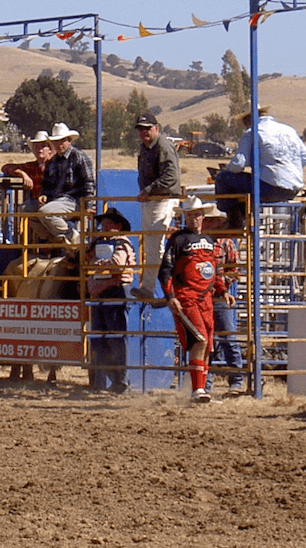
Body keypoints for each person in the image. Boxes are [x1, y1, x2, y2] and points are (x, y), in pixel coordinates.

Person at [157, 197, 234, 403]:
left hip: (206, 299)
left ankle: (200, 390)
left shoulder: (209, 241)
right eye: (190, 215)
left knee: (207, 344)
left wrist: (223, 290)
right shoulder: (178, 240)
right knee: (199, 339)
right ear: (185, 217)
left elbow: (214, 270)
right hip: (186, 298)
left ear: (203, 216)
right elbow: (165, 270)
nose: (194, 219)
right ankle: (198, 389)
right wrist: (171, 296)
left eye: (197, 214)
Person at [214, 105, 306, 227]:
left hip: (269, 188)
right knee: (247, 186)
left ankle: (234, 221)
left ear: (247, 122)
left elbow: (238, 165)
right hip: (293, 189)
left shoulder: (253, 132)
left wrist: (227, 170)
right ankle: (243, 215)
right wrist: (288, 170)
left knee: (224, 179)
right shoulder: (289, 130)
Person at [130, 114, 182, 302]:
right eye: (141, 128)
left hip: (163, 199)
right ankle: (163, 290)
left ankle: (152, 288)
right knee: (153, 245)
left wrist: (148, 190)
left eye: (147, 128)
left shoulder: (162, 146)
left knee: (154, 246)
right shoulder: (148, 147)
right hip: (154, 199)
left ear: (156, 128)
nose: (144, 131)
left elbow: (171, 177)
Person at [85, 209, 136, 393]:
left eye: (108, 224)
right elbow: (86, 259)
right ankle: (112, 380)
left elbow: (118, 264)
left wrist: (100, 265)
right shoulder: (99, 242)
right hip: (104, 291)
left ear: (118, 226)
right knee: (100, 338)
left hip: (116, 290)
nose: (104, 227)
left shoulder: (122, 242)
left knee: (115, 337)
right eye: (103, 224)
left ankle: (120, 380)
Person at [27, 123, 94, 247]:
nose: (59, 144)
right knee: (26, 212)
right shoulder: (53, 161)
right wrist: (44, 194)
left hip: (74, 200)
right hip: (57, 201)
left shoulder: (79, 157)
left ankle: (73, 237)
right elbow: (47, 183)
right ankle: (54, 239)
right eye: (56, 141)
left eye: (62, 141)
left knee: (45, 212)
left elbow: (88, 182)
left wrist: (89, 204)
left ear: (69, 141)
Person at [202, 207, 245, 393]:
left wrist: (220, 283)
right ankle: (206, 383)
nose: (212, 224)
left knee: (228, 338)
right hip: (204, 297)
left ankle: (235, 380)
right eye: (209, 220)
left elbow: (235, 271)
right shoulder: (200, 243)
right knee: (205, 339)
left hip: (219, 296)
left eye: (214, 220)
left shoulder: (226, 243)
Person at [1, 130, 53, 201]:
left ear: (50, 149)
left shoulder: (56, 164)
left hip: (53, 201)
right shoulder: (31, 166)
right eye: (36, 146)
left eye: (43, 146)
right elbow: (6, 167)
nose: (40, 149)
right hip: (35, 201)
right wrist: (22, 173)